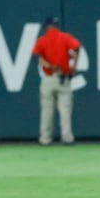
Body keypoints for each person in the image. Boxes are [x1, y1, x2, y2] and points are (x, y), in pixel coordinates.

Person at [30, 17, 81, 146]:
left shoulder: (42, 40)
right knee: (65, 110)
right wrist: (74, 66)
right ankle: (67, 138)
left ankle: (45, 139)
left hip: (48, 78)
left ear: (46, 27)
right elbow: (76, 50)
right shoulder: (65, 37)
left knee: (47, 110)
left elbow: (37, 57)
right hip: (63, 77)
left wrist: (48, 65)